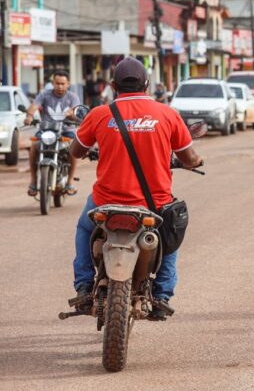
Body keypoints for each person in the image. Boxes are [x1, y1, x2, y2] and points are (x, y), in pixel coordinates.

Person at [70, 58, 203, 318]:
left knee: (84, 228)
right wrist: (196, 162)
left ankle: (84, 286)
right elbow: (189, 158)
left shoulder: (99, 114)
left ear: (113, 85)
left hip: (105, 202)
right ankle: (162, 295)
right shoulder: (167, 114)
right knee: (171, 236)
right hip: (154, 204)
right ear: (147, 84)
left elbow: (76, 151)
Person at [24, 71, 81, 197]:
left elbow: (76, 111)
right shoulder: (45, 94)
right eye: (57, 83)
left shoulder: (73, 97)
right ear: (52, 83)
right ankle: (33, 181)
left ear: (68, 84)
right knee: (34, 146)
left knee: (73, 149)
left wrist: (72, 114)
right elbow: (34, 106)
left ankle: (70, 181)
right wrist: (29, 116)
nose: (60, 86)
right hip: (46, 130)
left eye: (62, 84)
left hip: (66, 131)